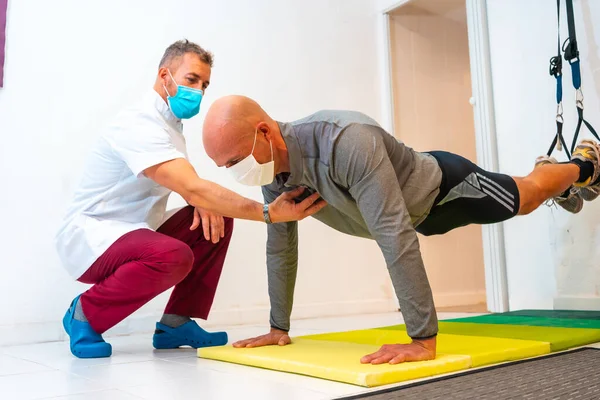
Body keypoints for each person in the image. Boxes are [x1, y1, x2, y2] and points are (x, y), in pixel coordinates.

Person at [201, 95, 600, 365]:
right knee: (527, 193)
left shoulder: (345, 141)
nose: (236, 173)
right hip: (411, 217)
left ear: (265, 133)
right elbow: (280, 246)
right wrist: (278, 327)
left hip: (445, 190)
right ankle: (560, 179)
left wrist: (422, 340)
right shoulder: (275, 172)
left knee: (527, 198)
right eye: (225, 168)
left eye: (235, 160)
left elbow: (394, 234)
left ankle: (583, 166)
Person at [54, 41, 326, 359]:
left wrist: (199, 198)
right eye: (192, 79)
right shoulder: (138, 124)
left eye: (204, 84)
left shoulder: (171, 126)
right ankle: (85, 313)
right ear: (164, 75)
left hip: (135, 228)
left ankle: (175, 324)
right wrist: (267, 213)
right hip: (93, 235)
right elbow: (193, 187)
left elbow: (188, 186)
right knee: (173, 255)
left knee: (217, 219)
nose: (198, 91)